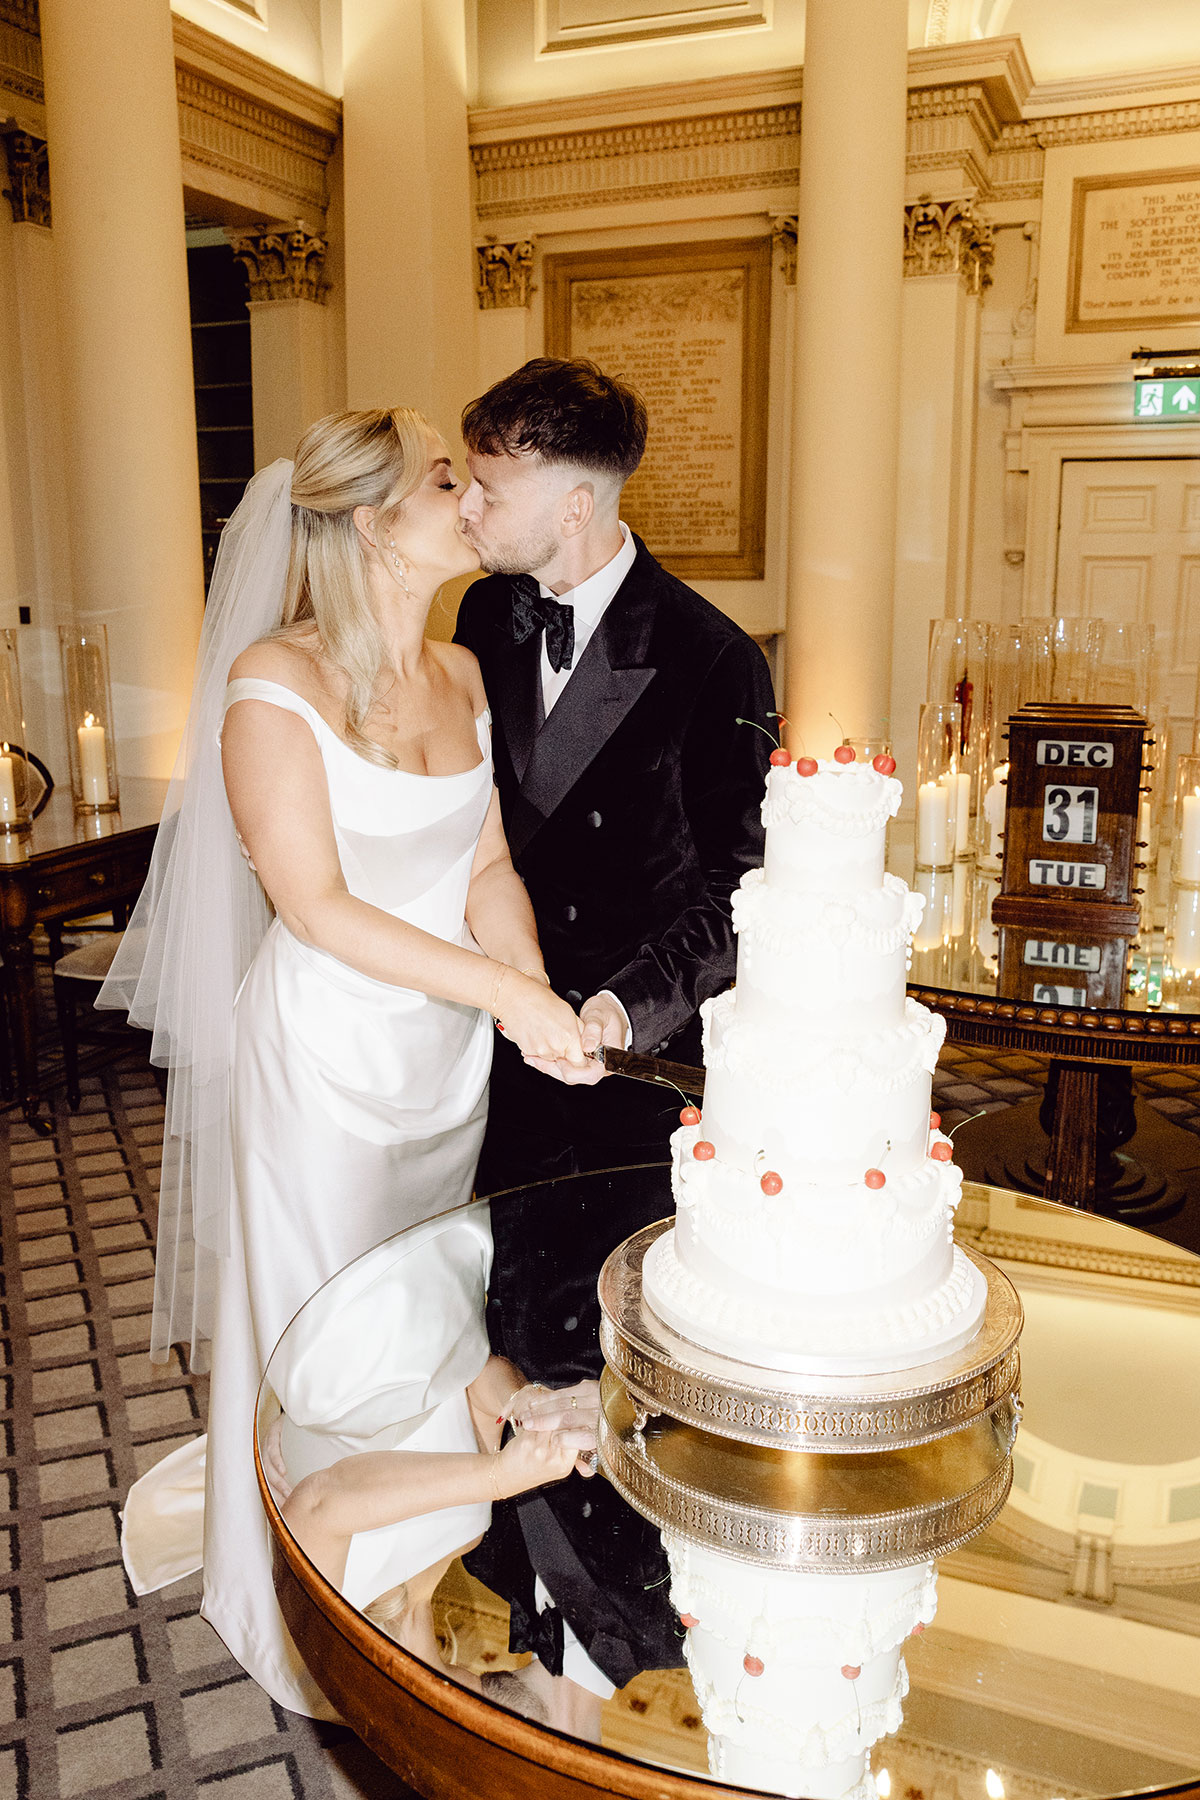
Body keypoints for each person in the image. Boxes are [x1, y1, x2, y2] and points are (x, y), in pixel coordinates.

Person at [100, 409, 587, 1717]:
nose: (476, 499)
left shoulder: (464, 676)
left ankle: (409, 1589)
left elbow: (482, 866)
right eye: (448, 482)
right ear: (372, 523)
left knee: (430, 1298)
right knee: (335, 1338)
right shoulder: (274, 687)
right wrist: (498, 990)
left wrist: (527, 992)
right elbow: (314, 905)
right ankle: (318, 1605)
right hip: (324, 1066)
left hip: (442, 1056)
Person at [453, 357, 776, 1373]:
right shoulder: (479, 618)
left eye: (488, 488)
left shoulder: (715, 658)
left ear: (572, 506)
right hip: (496, 1034)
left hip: (629, 1068)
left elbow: (743, 894)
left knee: (617, 1348)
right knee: (505, 1323)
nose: (465, 506)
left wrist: (622, 1011)